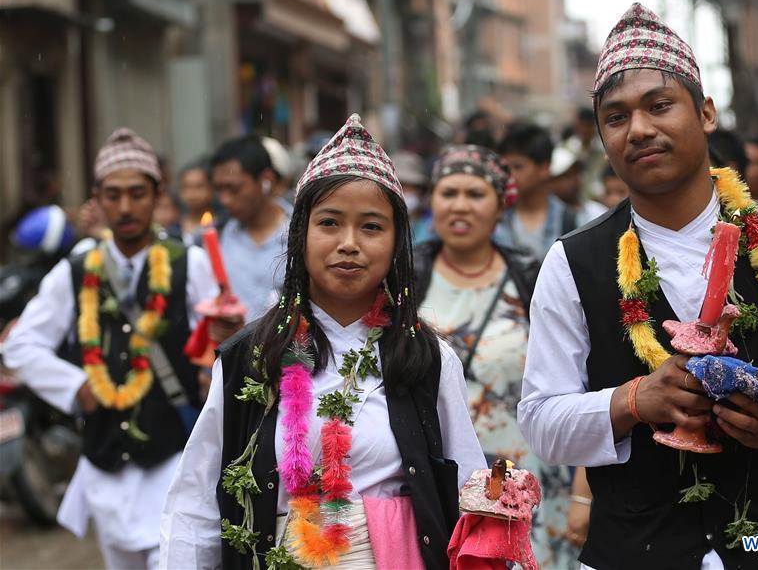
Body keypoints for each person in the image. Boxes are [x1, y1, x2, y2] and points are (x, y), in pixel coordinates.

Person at [517, 3, 758, 569]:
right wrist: (632, 400)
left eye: (660, 105)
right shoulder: (573, 263)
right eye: (615, 118)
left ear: (707, 113)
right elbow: (542, 420)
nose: (639, 129)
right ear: (602, 139)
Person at [160, 115, 485, 569]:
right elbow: (194, 504)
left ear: (396, 244)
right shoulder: (248, 359)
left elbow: (470, 487)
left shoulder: (426, 358)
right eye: (330, 223)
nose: (349, 244)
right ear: (301, 235)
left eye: (371, 227)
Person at [3, 128, 225, 569]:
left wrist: (219, 346)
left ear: (157, 195)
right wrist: (75, 386)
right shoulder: (78, 267)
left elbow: (220, 344)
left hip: (174, 460)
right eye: (114, 194)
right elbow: (21, 344)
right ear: (97, 198)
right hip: (105, 465)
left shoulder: (188, 263)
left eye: (137, 193)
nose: (125, 207)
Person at [412, 145, 580, 567]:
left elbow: (576, 377)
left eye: (475, 194)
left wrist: (584, 490)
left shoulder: (533, 277)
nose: (460, 206)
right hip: (443, 476)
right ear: (432, 200)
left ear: (501, 204)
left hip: (529, 474)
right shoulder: (408, 279)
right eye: (449, 193)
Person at [210, 134, 291, 321]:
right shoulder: (218, 236)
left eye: (234, 189)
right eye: (219, 190)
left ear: (266, 180)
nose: (225, 200)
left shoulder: (302, 233)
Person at [494, 123, 587, 260]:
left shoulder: (572, 221)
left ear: (544, 168)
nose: (509, 175)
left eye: (518, 167)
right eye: (505, 168)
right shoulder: (496, 220)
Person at [549, 144, 608, 223]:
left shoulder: (598, 213)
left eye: (575, 172)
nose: (573, 180)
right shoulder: (546, 219)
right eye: (565, 176)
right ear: (551, 181)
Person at [392, 149, 433, 244]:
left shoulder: (433, 227)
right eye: (398, 185)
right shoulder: (380, 225)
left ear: (421, 191)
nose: (402, 192)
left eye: (407, 186)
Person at [172, 157, 215, 246]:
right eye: (187, 187)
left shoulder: (222, 226)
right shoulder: (173, 229)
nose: (192, 194)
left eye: (199, 186)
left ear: (211, 189)